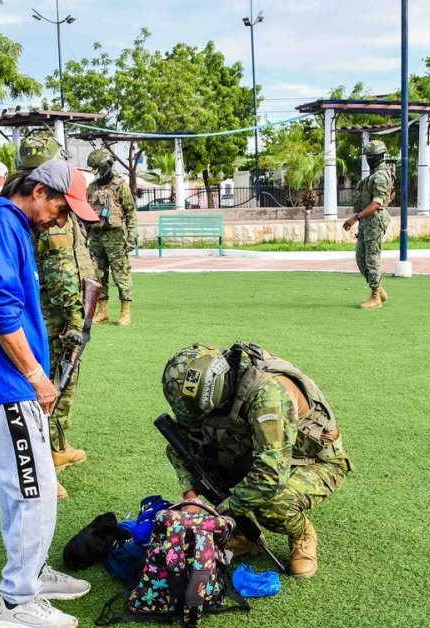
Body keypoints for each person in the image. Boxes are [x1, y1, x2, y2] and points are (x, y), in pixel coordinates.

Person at [0, 157, 101, 628]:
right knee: (32, 492)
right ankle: (18, 601)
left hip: (14, 383)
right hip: (7, 385)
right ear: (39, 191)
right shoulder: (2, 224)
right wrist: (37, 376)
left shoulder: (13, 226)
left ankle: (34, 574)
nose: (63, 219)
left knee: (29, 488)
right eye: (63, 207)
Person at [160, 342, 352, 578]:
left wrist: (221, 513)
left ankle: (302, 534)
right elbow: (182, 441)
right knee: (194, 456)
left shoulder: (268, 396)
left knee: (273, 505)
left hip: (313, 462)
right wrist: (191, 497)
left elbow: (270, 477)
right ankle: (243, 535)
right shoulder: (212, 380)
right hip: (259, 451)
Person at [19, 133, 97, 496]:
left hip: (48, 312)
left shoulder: (32, 208)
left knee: (57, 383)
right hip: (56, 314)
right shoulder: (48, 216)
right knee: (55, 384)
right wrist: (75, 322)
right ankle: (44, 459)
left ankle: (55, 448)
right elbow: (62, 272)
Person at [86, 148, 137, 326]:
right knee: (99, 275)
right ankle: (103, 311)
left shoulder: (120, 186)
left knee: (121, 274)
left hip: (116, 237)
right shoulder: (91, 187)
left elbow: (131, 213)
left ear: (107, 165)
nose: (96, 171)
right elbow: (85, 212)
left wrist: (131, 237)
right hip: (96, 237)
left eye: (97, 167)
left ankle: (125, 311)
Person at [342, 141, 396, 309]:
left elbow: (377, 203)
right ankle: (379, 290)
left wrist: (355, 218)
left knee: (372, 258)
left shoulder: (380, 176)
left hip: (374, 220)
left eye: (370, 156)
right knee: (361, 258)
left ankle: (375, 296)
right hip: (367, 221)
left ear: (378, 157)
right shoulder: (375, 174)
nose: (368, 159)